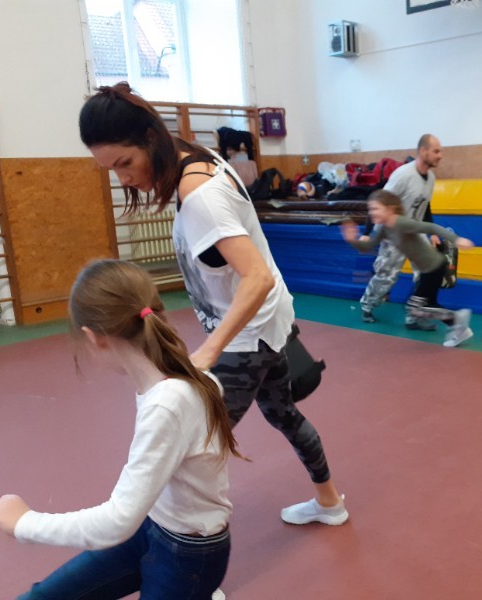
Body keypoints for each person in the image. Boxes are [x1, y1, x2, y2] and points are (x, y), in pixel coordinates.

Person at [78, 83, 348, 526]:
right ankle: (330, 503)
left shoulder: (200, 195)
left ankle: (188, 556)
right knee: (284, 416)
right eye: (111, 170)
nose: (123, 179)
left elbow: (257, 276)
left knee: (191, 447)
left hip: (247, 338)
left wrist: (209, 350)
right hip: (266, 325)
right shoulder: (191, 155)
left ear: (150, 138)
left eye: (125, 163)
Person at [0, 259, 237, 599]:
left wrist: (25, 523)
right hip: (152, 527)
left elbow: (116, 522)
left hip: (187, 555)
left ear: (94, 338)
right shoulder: (166, 379)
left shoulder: (168, 402)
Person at [342, 189, 475, 347]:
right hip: (427, 269)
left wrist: (456, 239)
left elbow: (431, 227)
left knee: (415, 308)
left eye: (376, 208)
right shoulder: (384, 228)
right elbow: (368, 246)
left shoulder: (401, 223)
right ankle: (460, 329)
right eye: (370, 209)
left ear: (390, 209)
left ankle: (457, 319)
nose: (372, 212)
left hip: (433, 267)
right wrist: (352, 240)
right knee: (427, 305)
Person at [358, 134, 443, 330]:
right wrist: (367, 232)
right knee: (387, 277)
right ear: (423, 151)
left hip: (415, 232)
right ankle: (368, 305)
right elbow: (379, 202)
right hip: (394, 233)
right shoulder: (403, 175)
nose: (440, 155)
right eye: (436, 151)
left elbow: (425, 205)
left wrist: (432, 232)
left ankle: (414, 316)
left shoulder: (430, 178)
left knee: (425, 274)